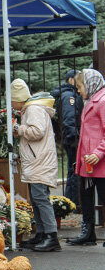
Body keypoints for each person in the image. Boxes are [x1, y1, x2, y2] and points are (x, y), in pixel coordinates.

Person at [10, 78, 60, 252]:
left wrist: (18, 129)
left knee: (40, 198)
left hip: (39, 161)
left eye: (12, 100)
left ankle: (51, 236)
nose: (11, 103)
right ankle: (42, 233)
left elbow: (36, 132)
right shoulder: (31, 109)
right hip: (37, 160)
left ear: (18, 99)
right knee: (37, 198)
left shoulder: (33, 109)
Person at [69, 68, 105, 246]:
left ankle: (89, 232)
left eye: (80, 86)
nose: (78, 90)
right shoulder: (91, 100)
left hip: (98, 161)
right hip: (87, 161)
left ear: (90, 84)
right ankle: (88, 232)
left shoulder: (102, 101)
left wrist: (98, 153)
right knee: (86, 197)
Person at [52, 69, 83, 206]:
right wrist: (74, 139)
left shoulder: (68, 94)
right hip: (72, 140)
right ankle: (72, 203)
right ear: (71, 80)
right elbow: (69, 119)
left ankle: (72, 202)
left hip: (71, 138)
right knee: (74, 171)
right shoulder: (69, 96)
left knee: (73, 170)